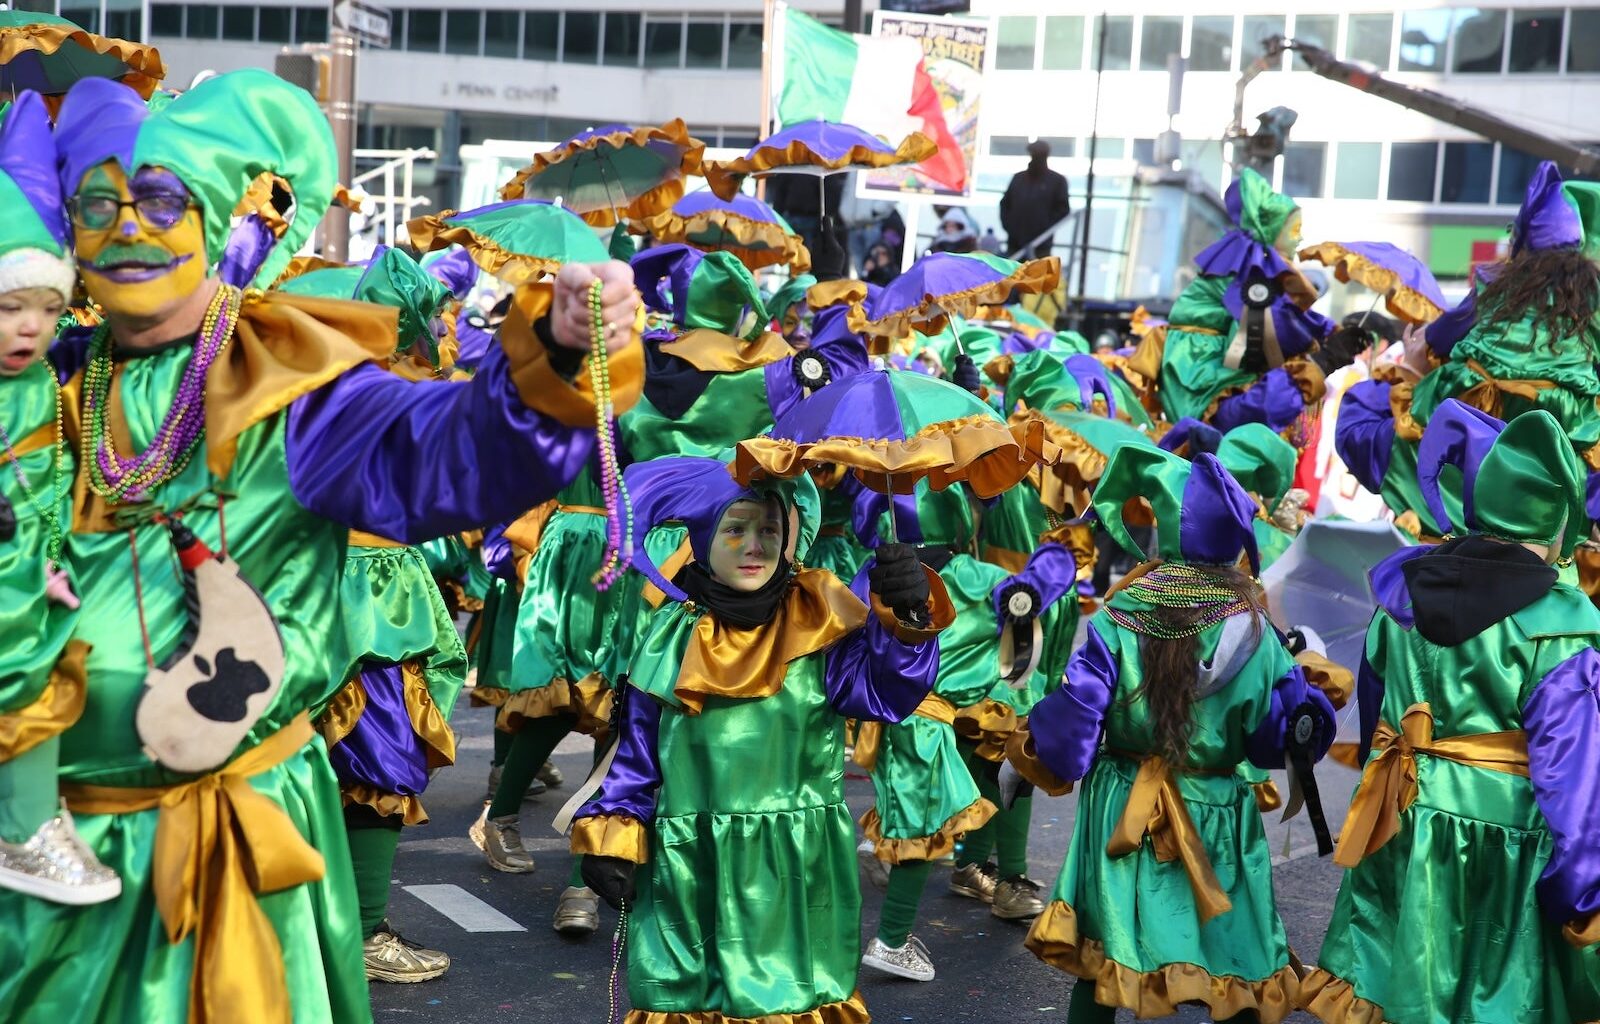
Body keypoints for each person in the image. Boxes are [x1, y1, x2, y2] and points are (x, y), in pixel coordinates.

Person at [0, 70, 642, 1023]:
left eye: (163, 200)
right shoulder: (37, 378)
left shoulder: (291, 384)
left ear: (214, 216)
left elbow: (447, 452)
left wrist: (551, 349)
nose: (130, 228)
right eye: (100, 205)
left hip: (228, 853)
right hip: (38, 859)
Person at [570, 453, 951, 1024]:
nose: (754, 545)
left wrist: (907, 614)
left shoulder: (817, 620)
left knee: (787, 1003)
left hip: (797, 869)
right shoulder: (670, 635)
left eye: (769, 529)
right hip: (690, 868)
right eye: (735, 528)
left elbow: (884, 693)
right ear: (701, 538)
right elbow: (637, 756)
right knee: (690, 1002)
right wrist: (613, 832)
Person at [1007, 444, 1336, 1024]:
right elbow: (1271, 743)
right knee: (1231, 954)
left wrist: (1032, 755)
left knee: (1106, 953)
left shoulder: (1120, 613)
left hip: (1122, 808)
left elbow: (1078, 713)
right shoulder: (1257, 633)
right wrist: (1307, 686)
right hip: (1215, 810)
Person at [1304, 400, 1600, 1022]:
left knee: (1400, 981)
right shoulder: (1562, 625)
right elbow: (1572, 771)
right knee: (1488, 994)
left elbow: (1376, 708)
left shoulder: (1403, 589)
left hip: (1402, 813)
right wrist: (1583, 886)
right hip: (1498, 842)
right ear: (1554, 526)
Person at [0, 91, 118, 907]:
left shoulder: (42, 385)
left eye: (47, 309)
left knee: (43, 671)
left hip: (15, 577)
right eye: (9, 307)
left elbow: (43, 486)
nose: (30, 329)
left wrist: (45, 564)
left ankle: (29, 827)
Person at [1000, 140, 1070, 259]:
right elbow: (1005, 204)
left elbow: (1062, 210)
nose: (1036, 159)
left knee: (1037, 274)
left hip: (1041, 247)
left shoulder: (1057, 181)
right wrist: (1010, 227)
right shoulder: (1018, 179)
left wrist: (1044, 229)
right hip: (1015, 243)